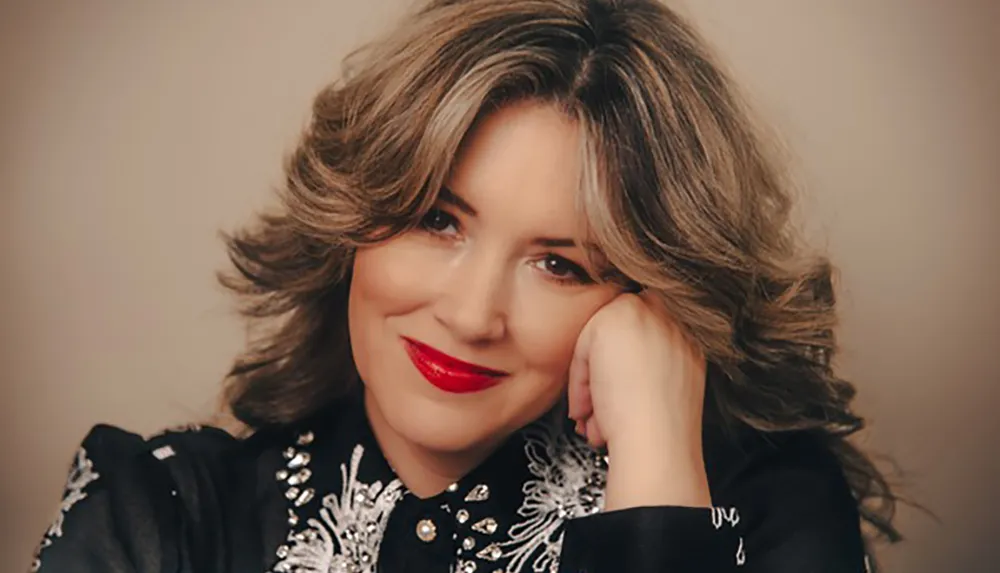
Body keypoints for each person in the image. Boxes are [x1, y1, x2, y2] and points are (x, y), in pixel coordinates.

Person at [28, 0, 902, 571]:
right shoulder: (163, 514)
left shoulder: (768, 514)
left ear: (649, 299)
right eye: (436, 220)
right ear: (352, 222)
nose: (472, 313)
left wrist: (660, 473)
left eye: (561, 264)